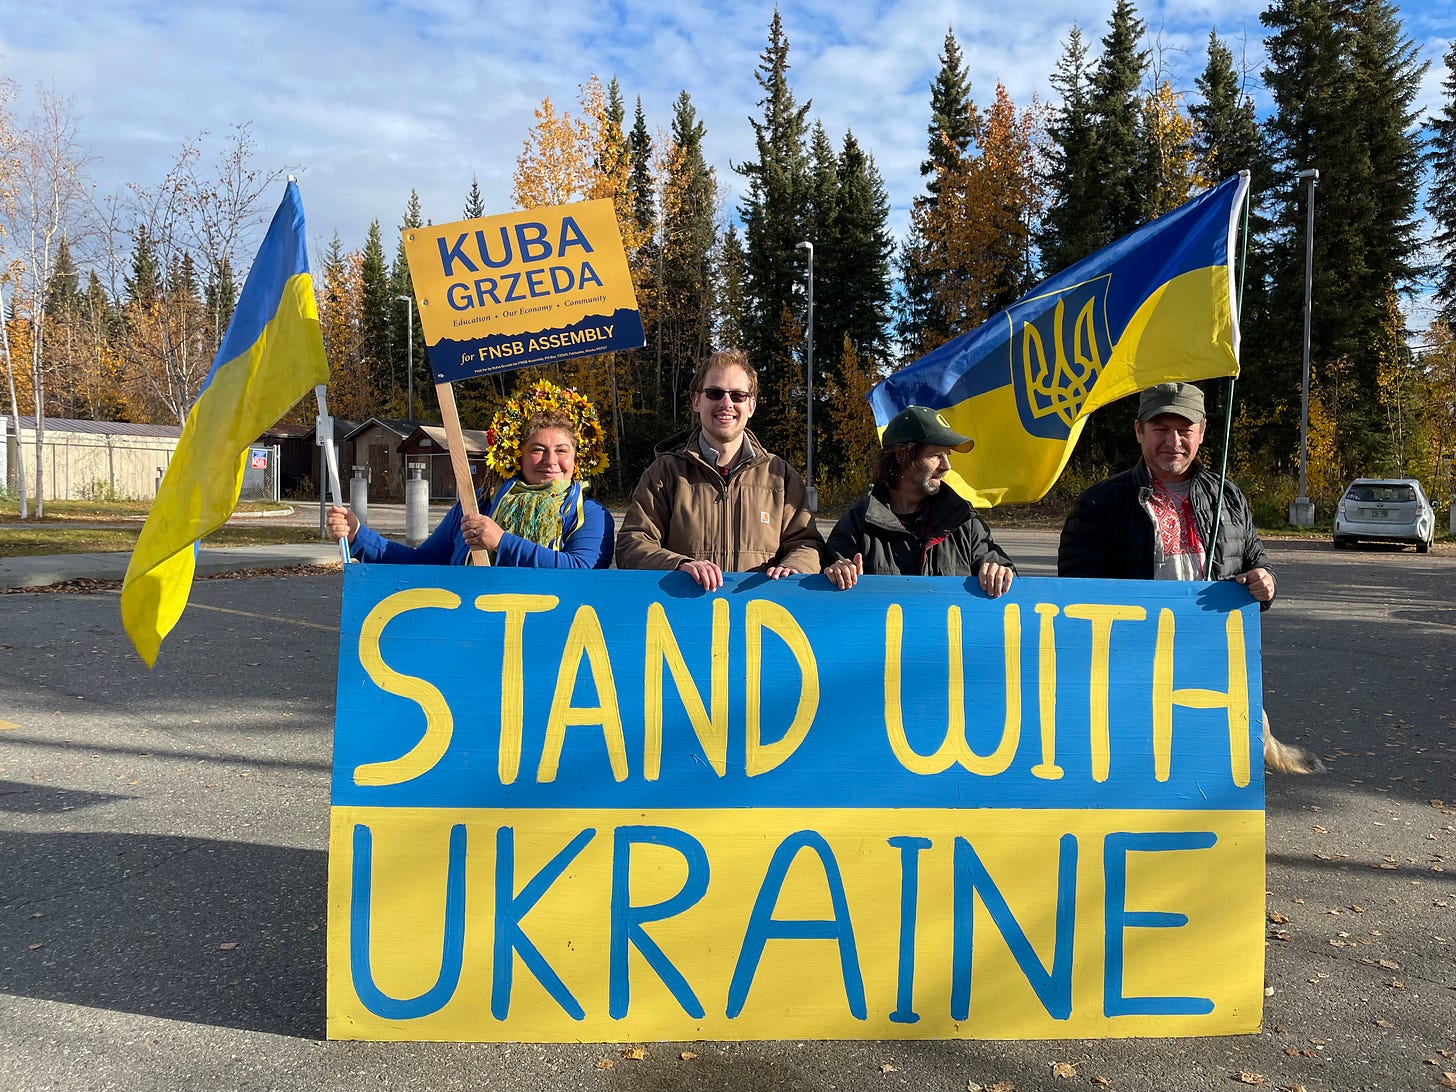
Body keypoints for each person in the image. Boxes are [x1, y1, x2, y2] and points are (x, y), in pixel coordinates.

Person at [1057, 381, 1322, 773]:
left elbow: (1257, 560)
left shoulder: (1227, 498)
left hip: (1213, 660)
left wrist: (1266, 581)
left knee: (1220, 762)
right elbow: (1078, 591)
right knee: (1146, 767)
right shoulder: (1100, 504)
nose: (1173, 441)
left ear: (1202, 431)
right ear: (1139, 431)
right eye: (1160, 429)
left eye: (1184, 429)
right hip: (1133, 668)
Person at [326, 381, 614, 568]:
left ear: (577, 458)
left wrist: (502, 542)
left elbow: (580, 570)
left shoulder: (589, 514)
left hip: (545, 646)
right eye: (538, 449)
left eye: (562, 450)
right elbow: (425, 563)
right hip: (470, 641)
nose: (551, 461)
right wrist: (359, 536)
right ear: (518, 455)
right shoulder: (477, 505)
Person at [615, 348, 823, 590]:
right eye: (715, 393)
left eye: (737, 395)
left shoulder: (781, 477)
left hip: (757, 619)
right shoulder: (665, 473)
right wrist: (678, 565)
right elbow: (632, 544)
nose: (726, 404)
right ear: (696, 401)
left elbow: (807, 543)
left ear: (751, 406)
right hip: (686, 619)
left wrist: (795, 567)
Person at [822, 405, 1016, 597]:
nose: (946, 466)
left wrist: (1001, 572)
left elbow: (1009, 580)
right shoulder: (858, 523)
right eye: (936, 456)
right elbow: (823, 592)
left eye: (947, 455)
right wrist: (836, 572)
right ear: (902, 455)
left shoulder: (964, 521)